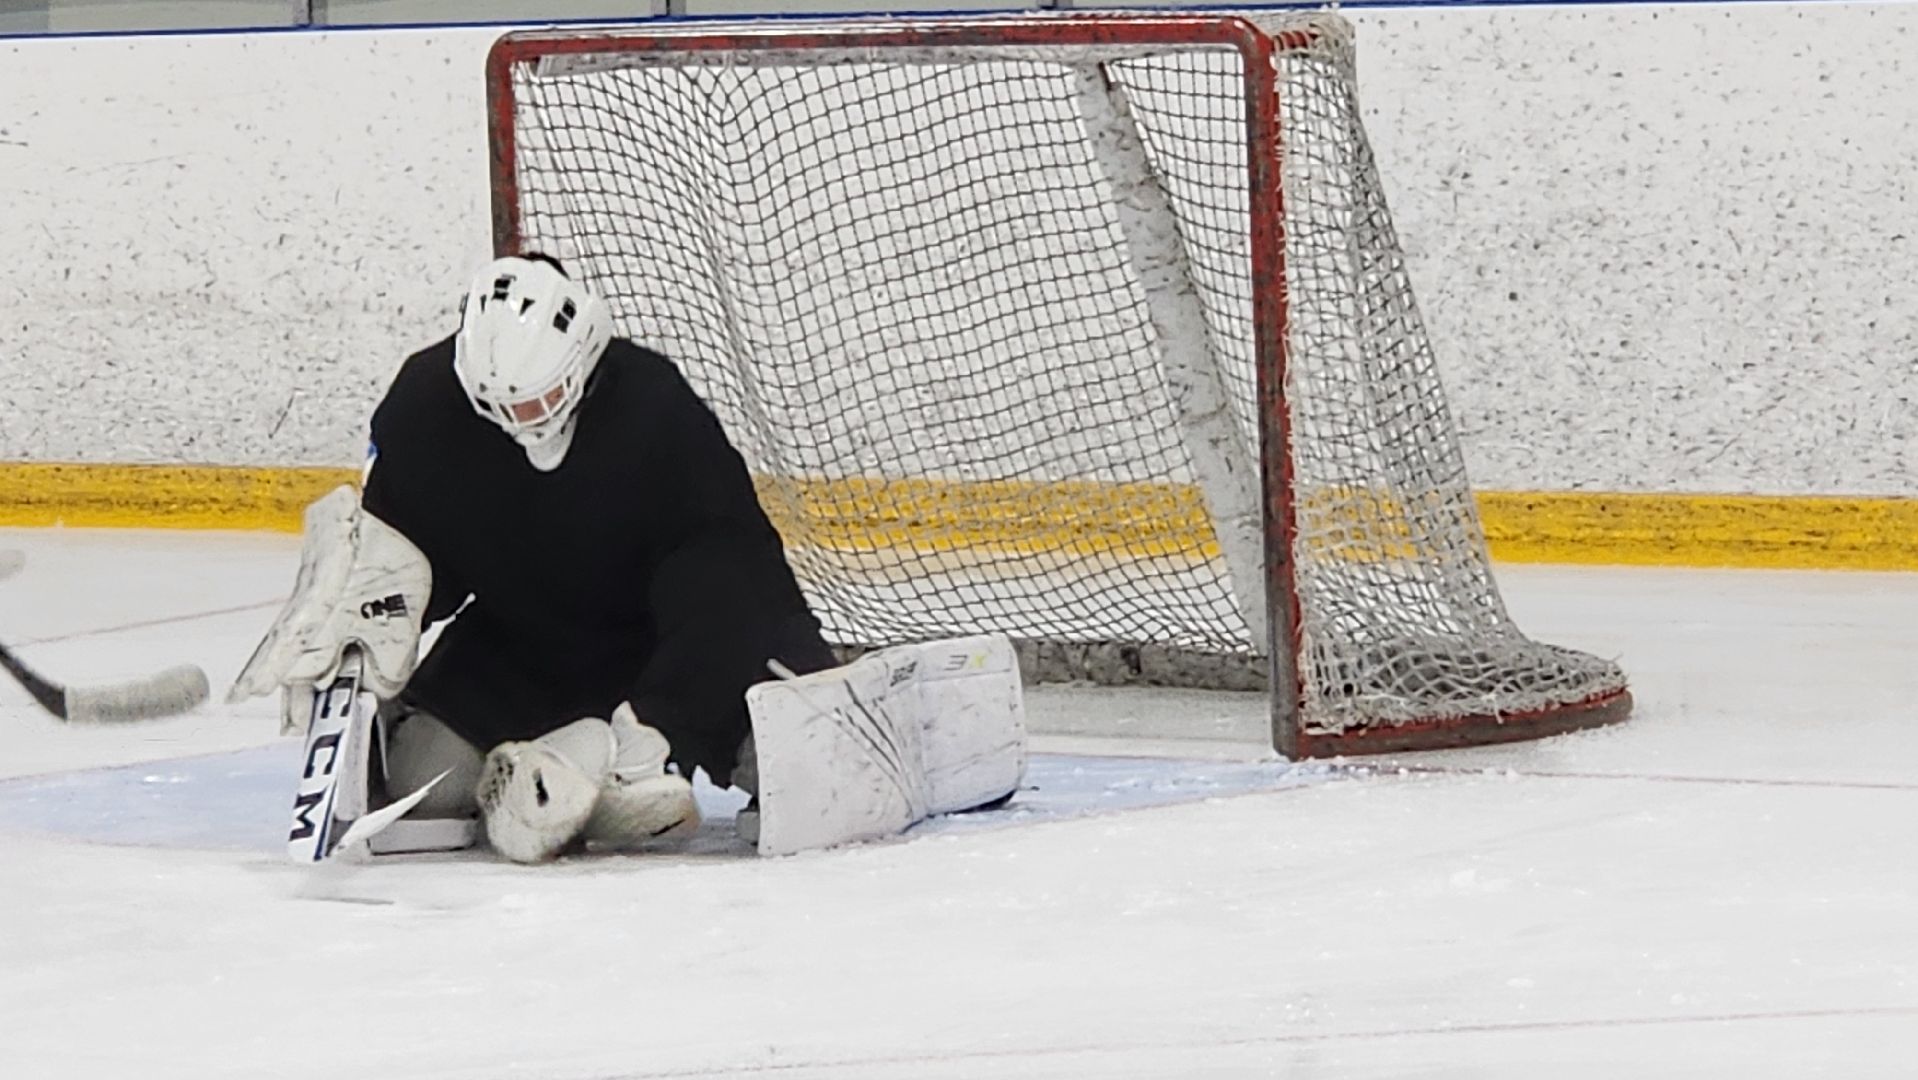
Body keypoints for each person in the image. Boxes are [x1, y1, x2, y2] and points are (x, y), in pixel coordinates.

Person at [360, 252, 835, 860]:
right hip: (528, 645)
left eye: (538, 399)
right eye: (499, 405)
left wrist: (660, 720)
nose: (521, 420)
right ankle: (557, 765)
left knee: (799, 765)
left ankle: (601, 762)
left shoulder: (656, 411)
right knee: (422, 782)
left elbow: (731, 578)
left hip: (671, 642)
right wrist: (360, 649)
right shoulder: (423, 410)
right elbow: (405, 560)